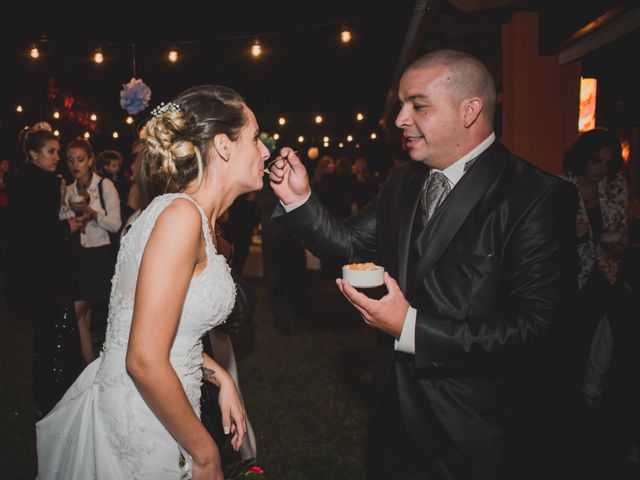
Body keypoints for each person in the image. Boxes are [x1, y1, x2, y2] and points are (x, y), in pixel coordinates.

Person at [269, 49, 577, 479]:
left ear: (470, 110)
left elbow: (538, 331)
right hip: (392, 419)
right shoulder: (402, 181)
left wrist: (410, 328)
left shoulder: (536, 197)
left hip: (475, 433)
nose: (399, 119)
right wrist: (298, 199)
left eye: (418, 105)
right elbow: (351, 245)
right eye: (401, 105)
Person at [37, 84, 270, 479]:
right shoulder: (180, 217)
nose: (265, 151)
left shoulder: (185, 213)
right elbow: (143, 358)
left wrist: (220, 378)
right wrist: (205, 452)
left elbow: (158, 331)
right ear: (224, 147)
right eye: (255, 138)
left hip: (164, 402)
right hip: (146, 418)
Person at [8, 128, 85, 416]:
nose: (57, 157)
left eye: (57, 150)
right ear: (33, 153)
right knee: (56, 333)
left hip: (38, 272)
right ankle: (56, 392)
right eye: (51, 151)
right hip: (47, 274)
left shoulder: (24, 179)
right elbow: (38, 230)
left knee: (49, 334)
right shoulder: (39, 182)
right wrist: (69, 226)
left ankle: (53, 391)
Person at [59, 139, 122, 364]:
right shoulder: (69, 188)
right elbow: (63, 219)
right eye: (70, 160)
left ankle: (98, 365)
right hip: (77, 255)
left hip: (100, 256)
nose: (75, 165)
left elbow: (116, 224)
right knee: (81, 318)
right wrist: (66, 207)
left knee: (83, 313)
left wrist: (90, 211)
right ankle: (89, 366)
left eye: (80, 159)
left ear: (91, 160)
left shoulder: (105, 186)